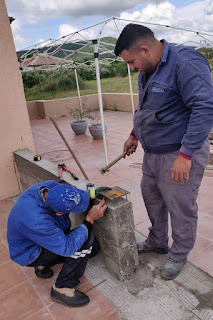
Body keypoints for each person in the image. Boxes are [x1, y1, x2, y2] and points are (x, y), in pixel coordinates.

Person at [114, 24, 213, 280]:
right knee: (153, 199)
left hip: (178, 155)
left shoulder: (185, 62)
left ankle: (179, 254)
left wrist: (186, 154)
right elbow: (145, 108)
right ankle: (158, 241)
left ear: (145, 49)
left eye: (132, 61)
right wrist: (134, 135)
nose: (131, 67)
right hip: (152, 154)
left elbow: (204, 107)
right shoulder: (147, 70)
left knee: (180, 207)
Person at [7, 180, 108, 307]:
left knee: (94, 248)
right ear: (59, 213)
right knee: (85, 240)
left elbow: (68, 194)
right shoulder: (38, 220)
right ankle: (62, 287)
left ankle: (42, 266)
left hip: (32, 241)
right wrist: (89, 220)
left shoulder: (50, 187)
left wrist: (91, 193)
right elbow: (67, 247)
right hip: (28, 253)